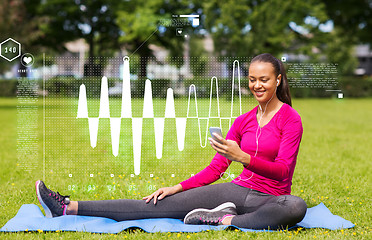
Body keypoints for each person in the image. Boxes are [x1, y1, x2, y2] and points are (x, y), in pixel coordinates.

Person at [35, 53, 307, 230]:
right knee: (154, 206)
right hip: (238, 191)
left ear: (278, 80)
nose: (257, 85)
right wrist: (175, 188)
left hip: (272, 198)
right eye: (252, 80)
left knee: (296, 207)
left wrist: (243, 158)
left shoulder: (290, 119)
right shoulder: (242, 121)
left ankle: (225, 218)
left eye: (264, 80)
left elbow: (283, 170)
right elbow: (216, 169)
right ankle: (66, 207)